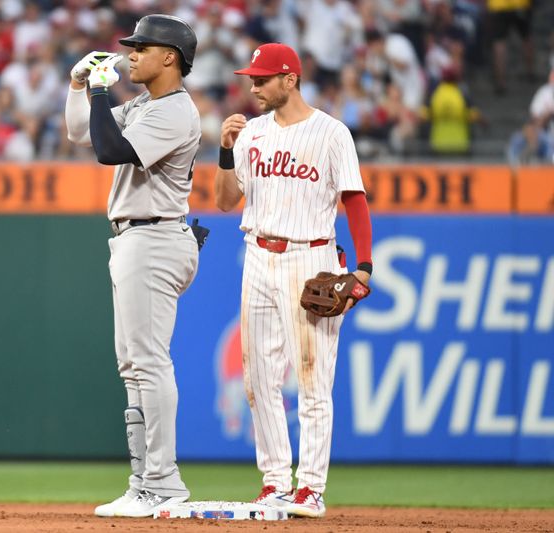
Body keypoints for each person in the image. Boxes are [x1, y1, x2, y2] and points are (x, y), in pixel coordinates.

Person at [214, 43, 373, 518]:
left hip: (310, 257)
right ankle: (275, 481)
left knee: (311, 376)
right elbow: (225, 202)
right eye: (252, 79)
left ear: (291, 79)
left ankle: (311, 488)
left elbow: (355, 200)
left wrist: (363, 267)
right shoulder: (250, 133)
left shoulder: (331, 132)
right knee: (258, 377)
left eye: (263, 79)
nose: (253, 86)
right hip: (257, 256)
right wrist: (224, 152)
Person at [64, 14, 202, 518]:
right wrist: (80, 86)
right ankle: (144, 480)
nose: (132, 54)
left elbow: (110, 151)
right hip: (135, 237)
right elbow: (82, 132)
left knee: (147, 360)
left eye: (143, 47)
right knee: (134, 365)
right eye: (132, 46)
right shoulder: (145, 104)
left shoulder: (176, 111)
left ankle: (163, 481)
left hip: (155, 235)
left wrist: (102, 93)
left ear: (171, 57)